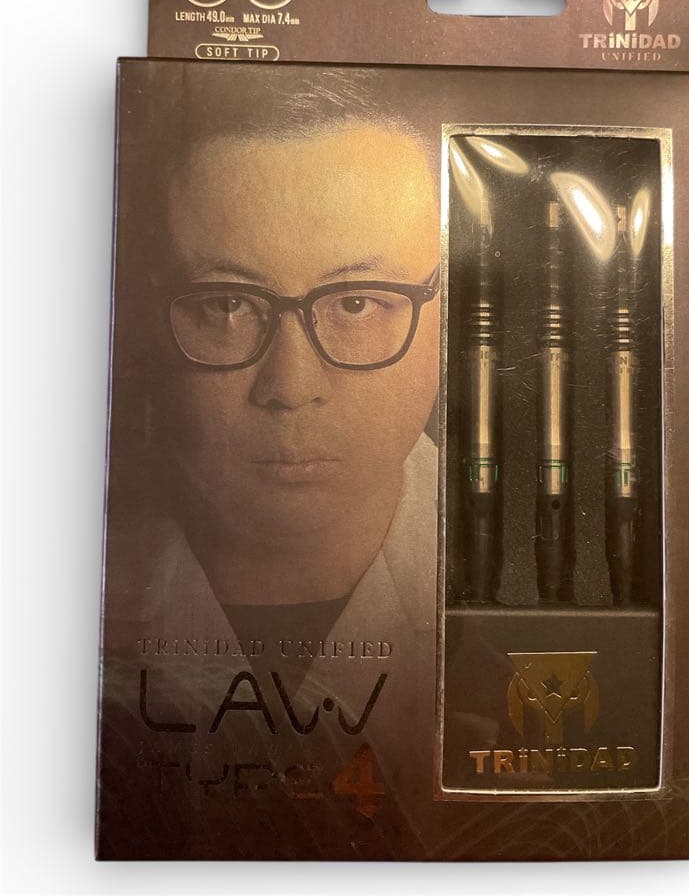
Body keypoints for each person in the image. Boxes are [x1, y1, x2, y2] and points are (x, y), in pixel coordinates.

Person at [97, 66, 442, 858]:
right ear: (151, 317)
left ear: (446, 308)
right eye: (226, 304)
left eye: (356, 302)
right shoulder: (54, 586)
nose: (289, 388)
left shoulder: (527, 596)